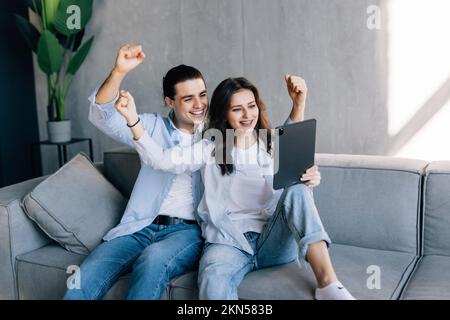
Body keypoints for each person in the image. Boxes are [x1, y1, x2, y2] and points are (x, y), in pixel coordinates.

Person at [116, 74, 355, 300]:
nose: (247, 115)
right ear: (224, 114)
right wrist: (133, 121)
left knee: (298, 188)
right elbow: (163, 161)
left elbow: (295, 185)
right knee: (212, 278)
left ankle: (328, 284)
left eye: (251, 106)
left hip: (273, 241)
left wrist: (307, 179)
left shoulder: (271, 142)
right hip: (228, 242)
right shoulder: (211, 145)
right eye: (237, 109)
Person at [64, 44, 209, 299]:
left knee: (153, 260)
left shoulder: (215, 136)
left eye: (202, 95)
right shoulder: (151, 126)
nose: (199, 105)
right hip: (139, 227)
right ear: (169, 101)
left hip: (187, 232)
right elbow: (103, 116)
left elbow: (260, 148)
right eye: (188, 98)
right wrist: (119, 72)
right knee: (83, 278)